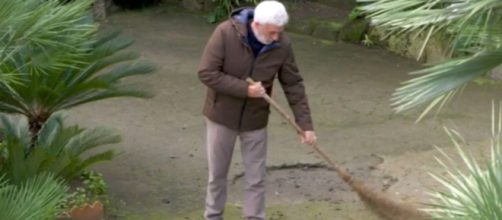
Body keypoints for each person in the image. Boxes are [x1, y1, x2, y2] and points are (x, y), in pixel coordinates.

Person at [198, 1, 316, 219]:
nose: (276, 38)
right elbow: (207, 73)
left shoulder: (282, 45)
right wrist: (245, 90)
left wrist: (305, 125)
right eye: (272, 32)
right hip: (221, 117)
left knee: (256, 178)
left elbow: (293, 85)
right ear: (257, 24)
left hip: (256, 119)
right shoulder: (225, 33)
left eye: (279, 33)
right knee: (217, 176)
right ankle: (213, 216)